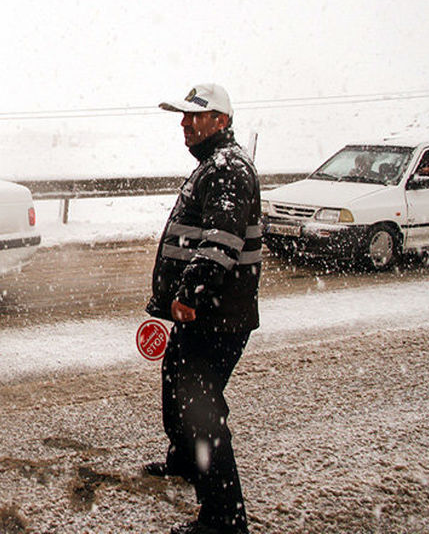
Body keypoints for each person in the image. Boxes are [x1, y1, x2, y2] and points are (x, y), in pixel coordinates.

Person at [144, 83, 261, 534]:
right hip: (203, 313)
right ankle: (186, 461)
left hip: (215, 315)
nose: (185, 123)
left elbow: (221, 242)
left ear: (222, 122)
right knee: (177, 386)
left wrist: (189, 294)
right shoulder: (213, 166)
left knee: (201, 409)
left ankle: (223, 519)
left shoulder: (227, 169)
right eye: (184, 116)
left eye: (196, 116)